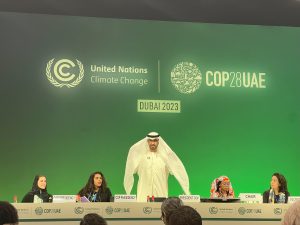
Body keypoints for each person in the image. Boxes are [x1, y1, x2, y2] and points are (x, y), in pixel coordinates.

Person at [124, 132, 190, 202]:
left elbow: (179, 171)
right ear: (147, 141)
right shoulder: (140, 158)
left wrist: (186, 190)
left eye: (155, 140)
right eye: (150, 140)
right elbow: (129, 172)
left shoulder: (166, 158)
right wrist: (128, 192)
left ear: (158, 141)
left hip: (161, 197)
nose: (153, 143)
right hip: (143, 198)